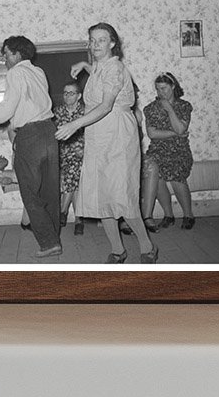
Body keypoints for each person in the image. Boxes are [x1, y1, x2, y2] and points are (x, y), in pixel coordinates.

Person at [55, 23, 157, 264]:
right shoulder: (101, 67)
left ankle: (147, 247)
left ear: (112, 43)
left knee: (122, 195)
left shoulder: (116, 67)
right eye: (92, 40)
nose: (95, 44)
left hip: (117, 135)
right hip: (98, 135)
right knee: (102, 196)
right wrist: (86, 65)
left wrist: (74, 125)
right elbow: (101, 77)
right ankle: (118, 250)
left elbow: (106, 105)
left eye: (101, 40)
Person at [0, 35, 62, 258]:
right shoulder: (38, 72)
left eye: (6, 53)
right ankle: (54, 239)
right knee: (50, 191)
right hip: (49, 131)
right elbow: (29, 103)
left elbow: (7, 108)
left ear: (17, 54)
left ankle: (49, 243)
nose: (4, 58)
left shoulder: (16, 73)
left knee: (30, 192)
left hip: (30, 136)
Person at [142, 72, 195, 231]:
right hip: (158, 149)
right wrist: (175, 133)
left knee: (177, 177)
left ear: (173, 86)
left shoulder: (184, 106)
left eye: (164, 88)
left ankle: (188, 215)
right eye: (158, 89)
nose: (161, 92)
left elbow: (181, 128)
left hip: (179, 149)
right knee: (155, 176)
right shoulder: (150, 108)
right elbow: (152, 134)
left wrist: (170, 110)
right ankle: (168, 215)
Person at [54, 78, 86, 236]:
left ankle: (63, 211)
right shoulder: (57, 112)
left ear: (79, 96)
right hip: (62, 154)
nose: (67, 96)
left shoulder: (86, 112)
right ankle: (78, 219)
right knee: (74, 175)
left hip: (83, 154)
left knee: (74, 169)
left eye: (71, 93)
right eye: (65, 93)